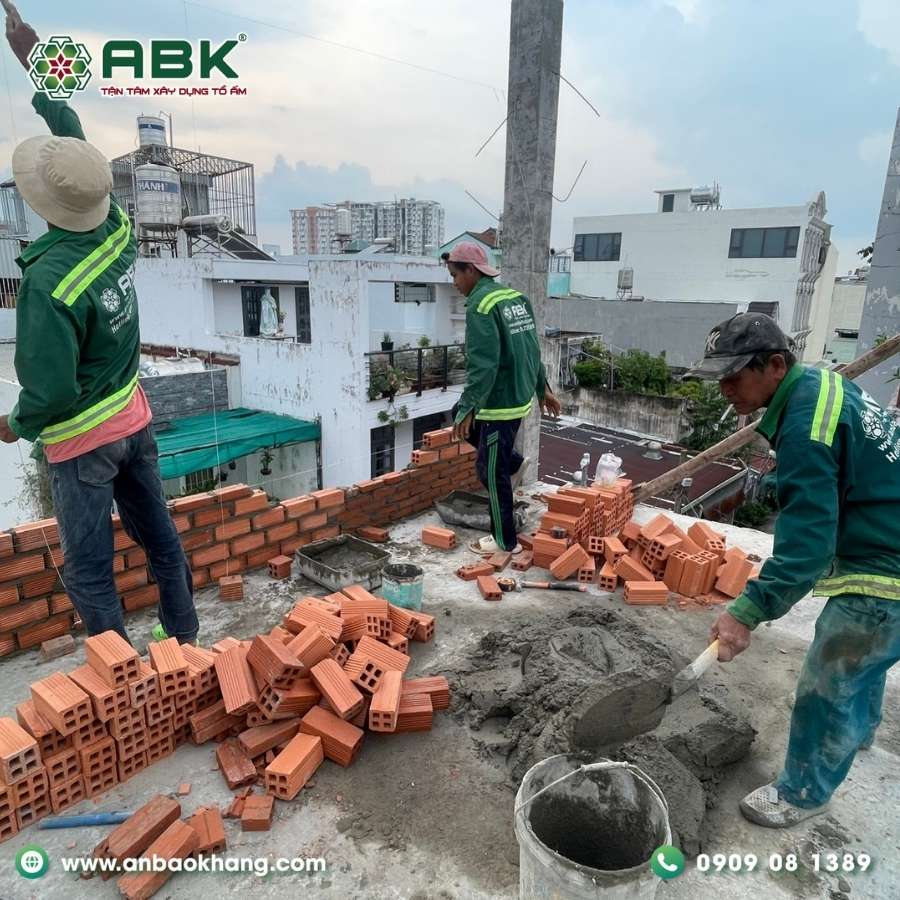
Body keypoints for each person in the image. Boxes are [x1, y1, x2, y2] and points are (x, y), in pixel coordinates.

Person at [0, 4, 198, 645]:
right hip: (134, 423)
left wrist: (14, 424)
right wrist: (35, 60)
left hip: (84, 444)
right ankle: (185, 643)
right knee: (161, 543)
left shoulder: (46, 282)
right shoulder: (115, 227)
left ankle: (121, 680)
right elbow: (75, 144)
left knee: (90, 572)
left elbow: (52, 392)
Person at [688, 312, 900, 828]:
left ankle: (803, 792)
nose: (724, 389)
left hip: (887, 558)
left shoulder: (806, 425)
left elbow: (807, 549)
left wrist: (747, 611)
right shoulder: (818, 386)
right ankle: (858, 730)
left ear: (776, 365)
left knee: (833, 671)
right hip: (885, 526)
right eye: (719, 377)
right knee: (865, 658)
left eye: (734, 375)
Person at [445, 242, 560, 554]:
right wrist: (541, 388)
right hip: (517, 394)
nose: (454, 283)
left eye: (455, 275)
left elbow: (483, 365)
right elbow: (531, 349)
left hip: (500, 404)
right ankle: (515, 462)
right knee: (458, 415)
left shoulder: (480, 306)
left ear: (471, 271)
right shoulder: (514, 298)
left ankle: (505, 542)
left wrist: (471, 405)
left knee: (490, 473)